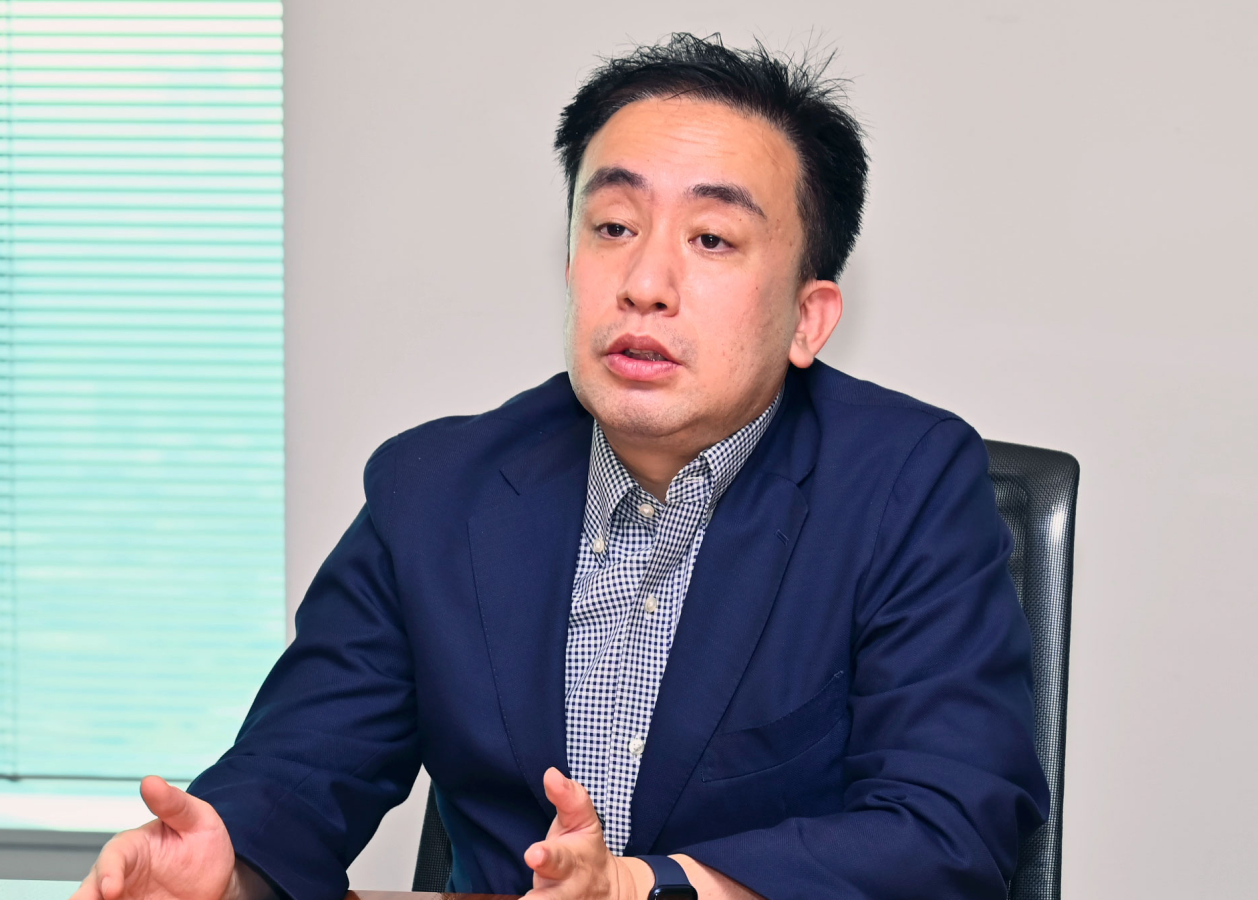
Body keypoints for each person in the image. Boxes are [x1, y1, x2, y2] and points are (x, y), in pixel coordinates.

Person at [69, 34, 1048, 900]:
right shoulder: (437, 489)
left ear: (806, 318)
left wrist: (647, 890)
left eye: (711, 240)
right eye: (613, 226)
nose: (645, 283)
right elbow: (299, 770)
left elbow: (946, 831)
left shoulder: (907, 484)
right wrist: (226, 864)